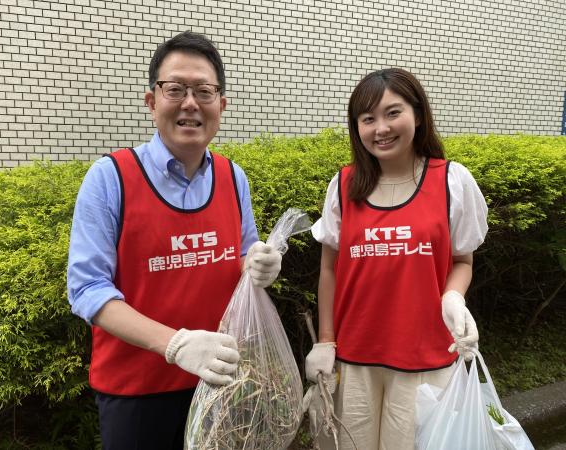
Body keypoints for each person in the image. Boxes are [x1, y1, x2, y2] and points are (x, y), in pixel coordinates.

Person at [67, 31, 281, 450]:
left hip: (218, 382)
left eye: (204, 91)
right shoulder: (111, 178)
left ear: (221, 105)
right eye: (175, 89)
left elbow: (242, 255)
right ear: (152, 101)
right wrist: (175, 344)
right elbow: (87, 289)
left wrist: (258, 265)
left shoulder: (233, 177)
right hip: (136, 392)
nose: (190, 103)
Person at [305, 68, 488, 450]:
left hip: (426, 358)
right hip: (354, 357)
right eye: (368, 118)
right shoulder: (343, 186)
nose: (381, 128)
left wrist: (453, 297)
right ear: (357, 127)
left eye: (393, 113)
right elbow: (329, 268)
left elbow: (462, 260)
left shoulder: (451, 181)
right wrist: (325, 341)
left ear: (417, 115)